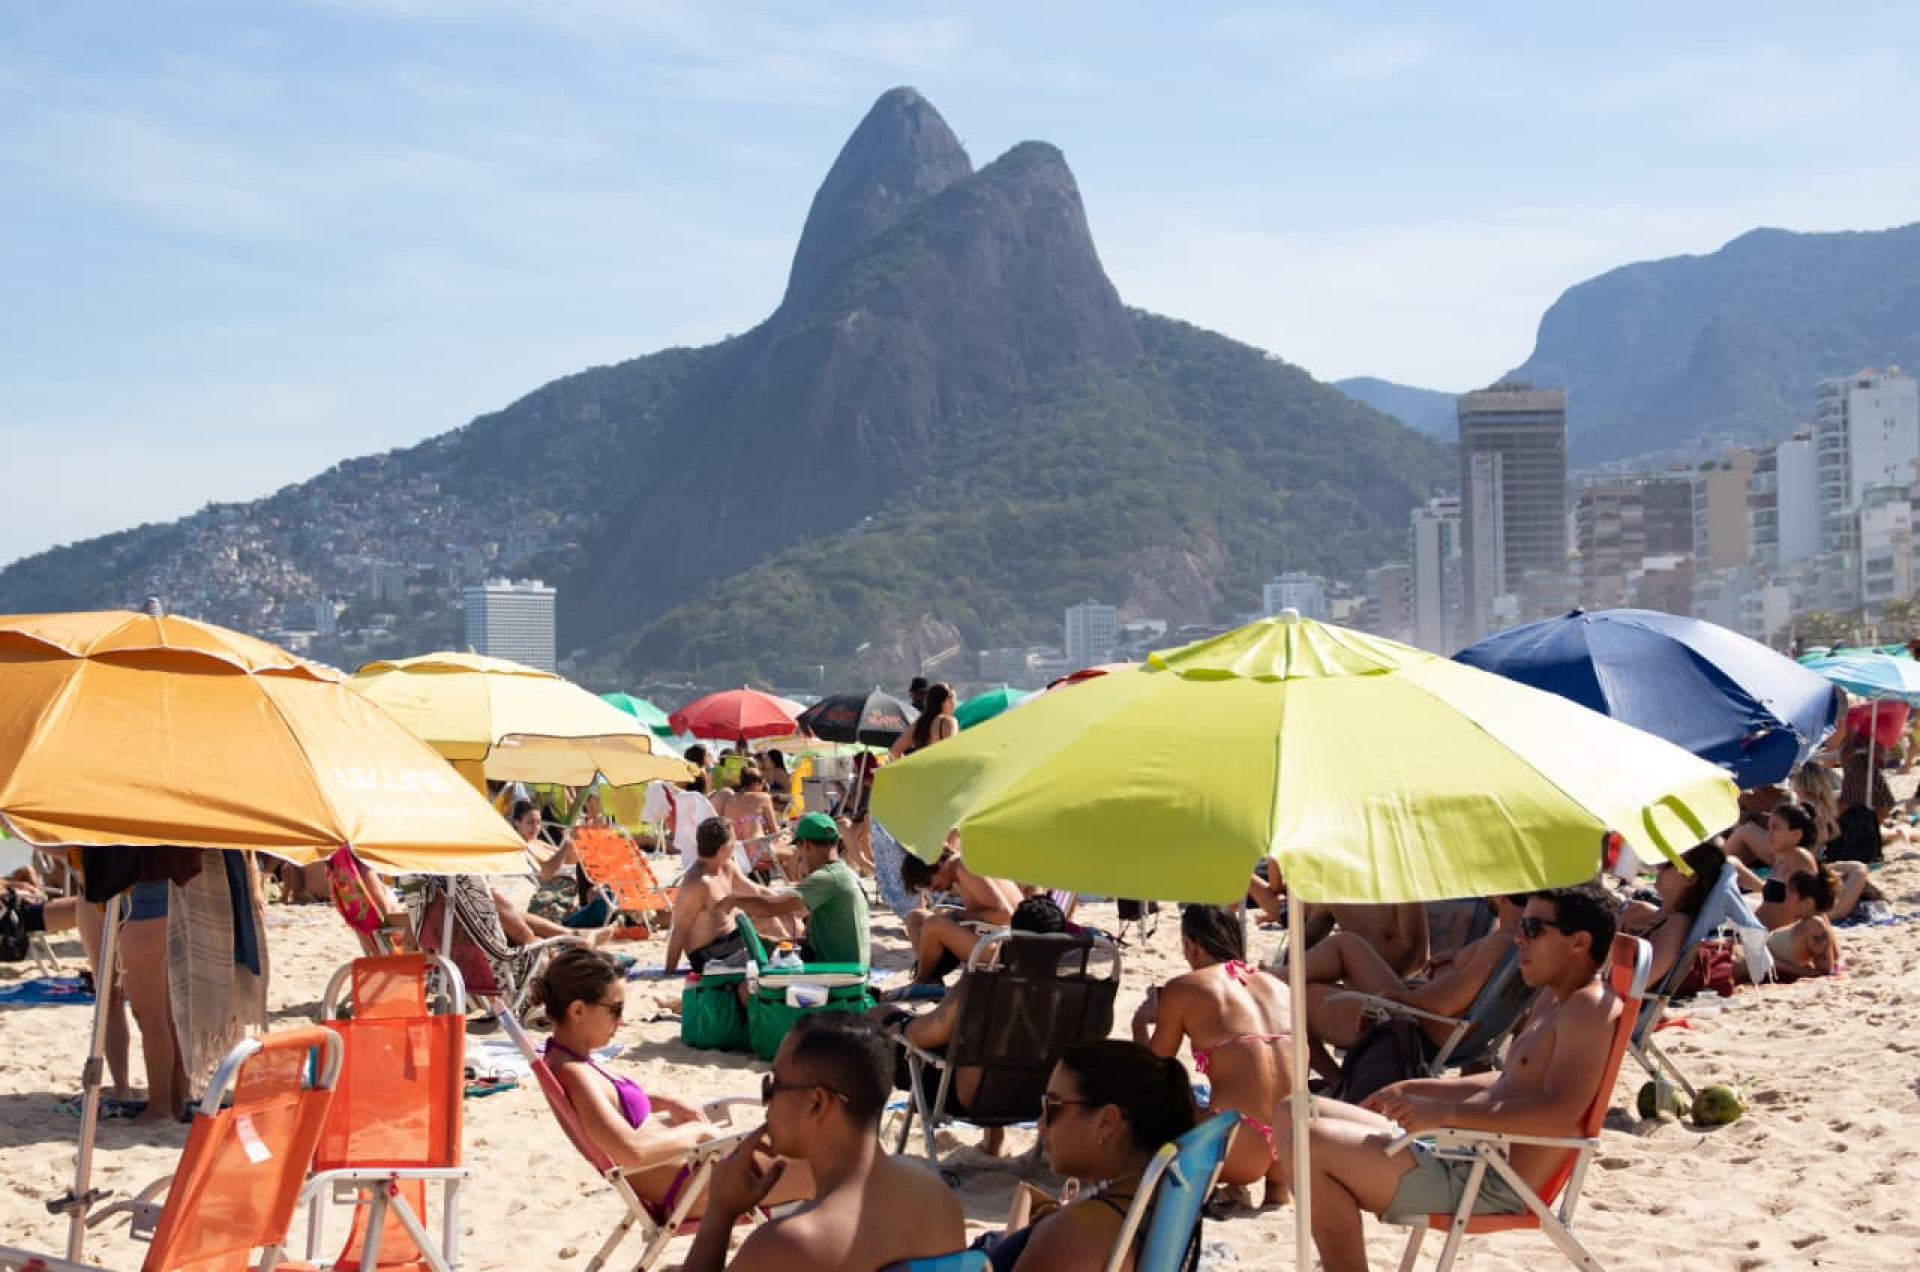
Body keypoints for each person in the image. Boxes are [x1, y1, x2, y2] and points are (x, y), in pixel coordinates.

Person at [1277, 884, 1623, 1272]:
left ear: (1579, 942)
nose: (1519, 938)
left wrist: (1447, 1115)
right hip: (1465, 1153)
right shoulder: (1554, 999)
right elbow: (1509, 1080)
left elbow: (1558, 1115)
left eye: (1534, 928)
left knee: (1310, 1142)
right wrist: (1416, 1088)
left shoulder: (1588, 1009)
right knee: (1295, 1109)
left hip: (1490, 1180)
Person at [535, 947, 812, 1217]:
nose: (621, 1022)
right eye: (615, 1010)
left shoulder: (571, 1061)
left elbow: (614, 1109)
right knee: (829, 1169)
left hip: (697, 1173)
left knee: (819, 1147)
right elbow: (632, 1152)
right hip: (693, 1188)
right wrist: (697, 1133)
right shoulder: (575, 1073)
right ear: (578, 1010)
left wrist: (664, 1101)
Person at [682, 1013, 964, 1272]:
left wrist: (719, 1214)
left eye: (774, 1085)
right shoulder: (938, 1198)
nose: (766, 1102)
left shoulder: (789, 1245)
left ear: (816, 1103)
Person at [975, 1040, 1199, 1272]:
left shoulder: (1074, 1234)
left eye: (1052, 1107)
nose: (1040, 1125)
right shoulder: (1159, 1207)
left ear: (1106, 1122)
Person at [871, 894, 1069, 1155]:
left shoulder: (985, 980)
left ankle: (869, 1139)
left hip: (972, 1099)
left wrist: (900, 1028)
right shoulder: (1078, 990)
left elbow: (929, 1033)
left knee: (878, 1016)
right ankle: (994, 1140)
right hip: (1037, 1099)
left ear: (1012, 934)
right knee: (994, 1044)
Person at [1133, 904, 1292, 1206]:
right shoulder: (1279, 986)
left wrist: (1141, 1022)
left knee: (1150, 1105)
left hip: (1233, 1144)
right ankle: (1276, 1191)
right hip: (1290, 1144)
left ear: (1191, 946)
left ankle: (1225, 1187)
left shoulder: (1184, 987)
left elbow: (1152, 1073)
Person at [1296, 893, 1528, 1082]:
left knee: (1298, 997)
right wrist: (1454, 961)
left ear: (1503, 896)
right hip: (1435, 1024)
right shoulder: (1518, 941)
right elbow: (1467, 991)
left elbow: (1444, 1004)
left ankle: (1337, 1081)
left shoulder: (1501, 942)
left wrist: (1395, 995)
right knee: (1346, 943)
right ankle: (1274, 977)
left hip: (1417, 1027)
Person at [726, 813, 870, 965]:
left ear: (806, 844)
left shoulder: (827, 877)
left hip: (841, 972)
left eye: (798, 847)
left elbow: (771, 907)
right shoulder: (842, 873)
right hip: (848, 965)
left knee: (746, 985)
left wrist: (732, 902)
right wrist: (771, 944)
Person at [664, 818, 799, 975]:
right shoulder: (697, 883)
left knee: (775, 914)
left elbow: (758, 891)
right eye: (733, 843)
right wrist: (669, 971)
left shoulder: (726, 867)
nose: (735, 846)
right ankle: (792, 957)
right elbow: (680, 929)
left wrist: (792, 903)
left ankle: (794, 953)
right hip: (707, 953)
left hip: (731, 940)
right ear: (722, 848)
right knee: (766, 920)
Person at [898, 842, 1023, 985]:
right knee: (915, 917)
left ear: (937, 862)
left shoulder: (964, 866)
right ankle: (931, 980)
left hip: (1005, 948)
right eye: (924, 886)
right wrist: (955, 915)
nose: (931, 889)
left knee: (935, 924)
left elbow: (1005, 914)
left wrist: (955, 916)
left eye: (927, 882)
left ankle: (921, 981)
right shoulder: (955, 870)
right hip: (991, 938)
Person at [1618, 843, 1725, 984]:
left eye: (1668, 864)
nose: (1659, 867)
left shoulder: (1678, 923)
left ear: (1689, 878)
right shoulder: (1665, 916)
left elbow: (1642, 981)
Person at [1753, 867, 1843, 982]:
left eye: (1789, 897)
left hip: (1751, 961)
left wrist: (1776, 964)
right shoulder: (1811, 923)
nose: (1785, 903)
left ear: (1807, 902)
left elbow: (1823, 972)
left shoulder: (1814, 925)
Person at [889, 683, 957, 760]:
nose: (955, 704)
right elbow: (952, 754)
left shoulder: (921, 722)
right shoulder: (949, 721)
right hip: (942, 769)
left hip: (923, 769)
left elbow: (895, 751)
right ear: (947, 700)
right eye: (954, 699)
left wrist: (911, 766)